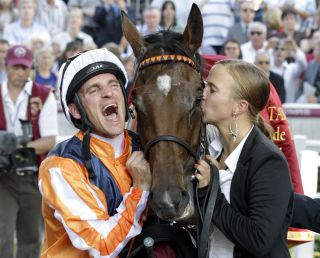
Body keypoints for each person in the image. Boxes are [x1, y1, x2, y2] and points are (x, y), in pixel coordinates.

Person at [38, 48, 152, 257]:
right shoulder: (61, 165)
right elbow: (102, 245)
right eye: (94, 90)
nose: (108, 93)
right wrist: (140, 189)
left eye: (114, 85)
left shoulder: (148, 146)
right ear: (75, 110)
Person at [195, 59, 293, 257]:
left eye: (212, 89)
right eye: (204, 85)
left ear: (239, 107)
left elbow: (258, 239)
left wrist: (209, 192)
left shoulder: (268, 161)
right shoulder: (211, 150)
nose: (202, 94)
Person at [0, 45, 58, 258]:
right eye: (15, 67)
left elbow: (49, 140)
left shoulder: (43, 95)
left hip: (32, 175)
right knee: (2, 237)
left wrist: (14, 146)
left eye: (24, 68)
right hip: (2, 177)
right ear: (6, 67)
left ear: (30, 69)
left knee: (31, 239)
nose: (20, 72)